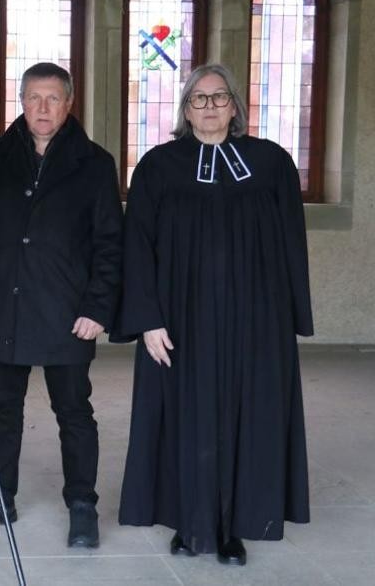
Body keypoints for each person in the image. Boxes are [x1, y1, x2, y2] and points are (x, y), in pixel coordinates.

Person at [115, 64, 313, 566]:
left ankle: (234, 527)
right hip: (179, 322)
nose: (209, 107)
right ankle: (189, 523)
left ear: (235, 106)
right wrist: (146, 320)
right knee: (187, 419)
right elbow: (136, 248)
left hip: (256, 322)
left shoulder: (271, 163)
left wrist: (289, 320)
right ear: (185, 109)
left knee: (247, 419)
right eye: (198, 99)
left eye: (219, 98)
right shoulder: (158, 166)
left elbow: (292, 243)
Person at [0, 62, 123, 548]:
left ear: (68, 104)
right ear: (20, 101)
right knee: (2, 408)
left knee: (74, 411)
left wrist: (97, 308)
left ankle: (82, 504)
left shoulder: (96, 164)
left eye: (53, 99)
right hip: (8, 304)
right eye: (34, 98)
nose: (43, 108)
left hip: (70, 311)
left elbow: (110, 244)